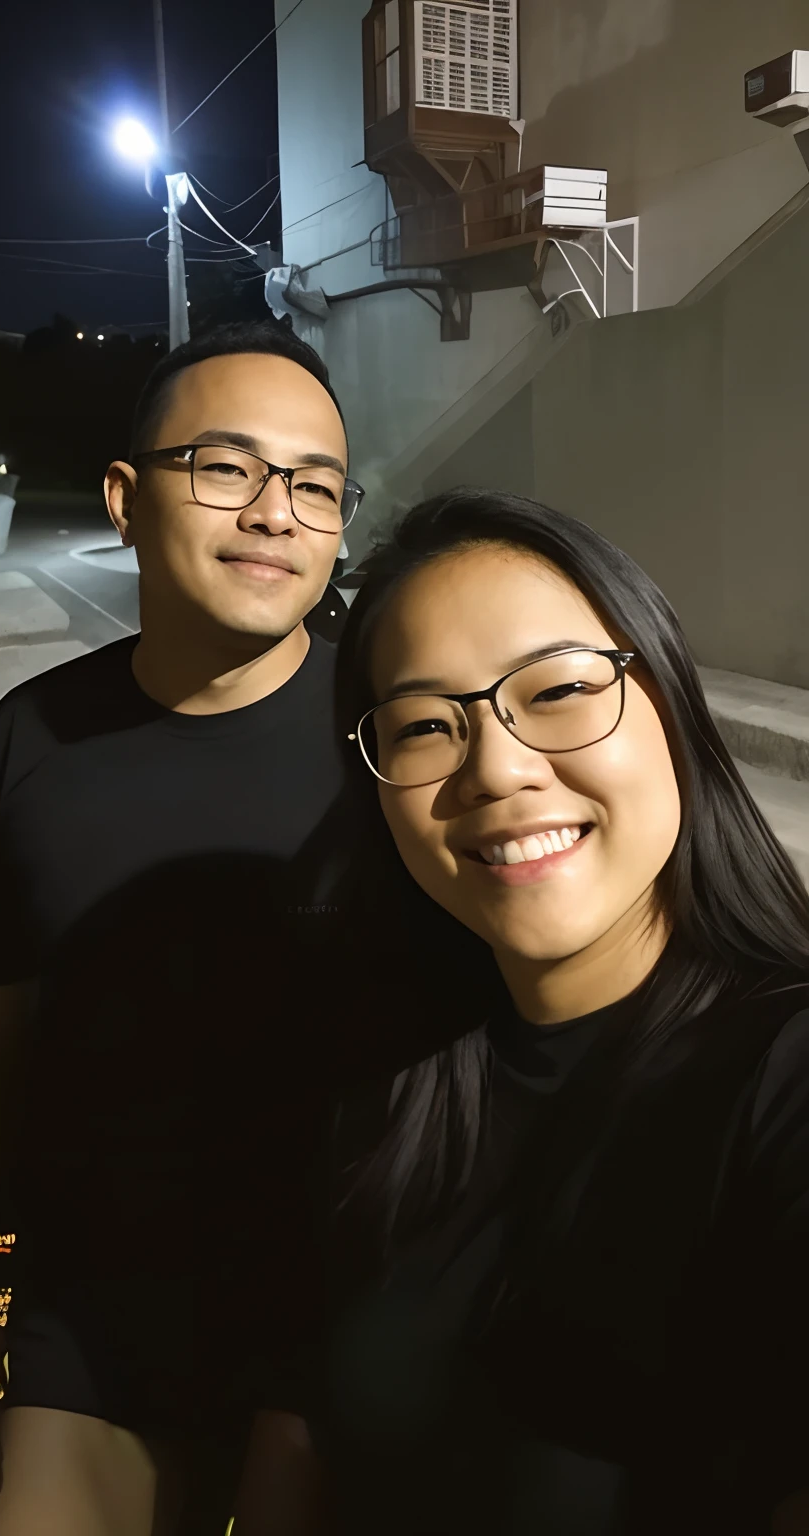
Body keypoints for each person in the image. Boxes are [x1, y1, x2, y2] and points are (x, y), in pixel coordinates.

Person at [237, 487, 809, 1536]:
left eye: (557, 691)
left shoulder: (781, 1079)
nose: (496, 768)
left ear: (673, 704)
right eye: (422, 725)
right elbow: (297, 1429)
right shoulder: (377, 1082)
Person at [0, 317, 369, 1535]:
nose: (276, 511)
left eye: (316, 485)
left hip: (353, 1308)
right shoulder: (34, 733)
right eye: (228, 468)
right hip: (96, 1314)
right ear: (127, 499)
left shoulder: (396, 736)